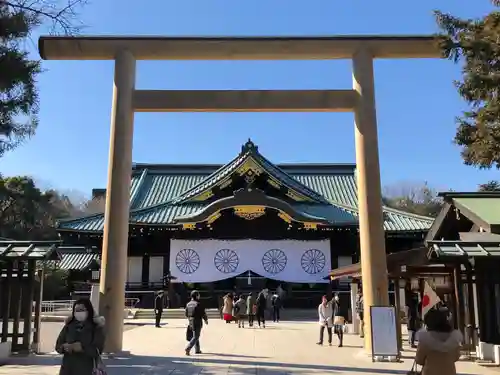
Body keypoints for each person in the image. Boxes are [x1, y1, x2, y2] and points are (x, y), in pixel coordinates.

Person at [55, 298, 105, 375]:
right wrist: (64, 347)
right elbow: (58, 346)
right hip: (68, 369)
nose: (79, 312)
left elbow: (98, 350)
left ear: (89, 310)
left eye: (81, 309)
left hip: (88, 369)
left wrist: (82, 348)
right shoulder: (69, 326)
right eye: (76, 310)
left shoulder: (96, 327)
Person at [416, 308, 463, 375]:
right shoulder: (453, 337)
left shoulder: (425, 339)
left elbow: (419, 359)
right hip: (449, 372)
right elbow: (456, 357)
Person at [185, 290, 208, 356]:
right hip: (197, 321)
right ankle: (188, 348)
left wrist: (190, 319)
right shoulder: (198, 303)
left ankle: (197, 349)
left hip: (190, 321)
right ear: (196, 295)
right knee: (196, 336)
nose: (199, 296)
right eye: (198, 295)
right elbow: (203, 313)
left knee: (195, 335)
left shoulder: (188, 304)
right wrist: (206, 320)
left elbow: (186, 314)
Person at [405, 283, 420, 348]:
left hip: (410, 317)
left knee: (411, 330)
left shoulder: (408, 304)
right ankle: (411, 342)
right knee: (412, 330)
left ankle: (411, 341)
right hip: (411, 317)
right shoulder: (411, 304)